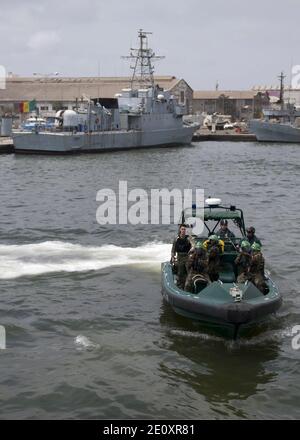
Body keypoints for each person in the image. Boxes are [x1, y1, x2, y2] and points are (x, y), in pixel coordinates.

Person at [171, 224, 193, 289]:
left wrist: (192, 248)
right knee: (180, 272)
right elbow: (173, 249)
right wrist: (172, 257)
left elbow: (193, 244)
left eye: (184, 229)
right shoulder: (176, 239)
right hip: (179, 257)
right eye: (182, 229)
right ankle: (180, 285)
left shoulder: (188, 238)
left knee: (189, 271)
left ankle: (189, 286)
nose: (183, 231)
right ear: (180, 230)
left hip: (187, 256)